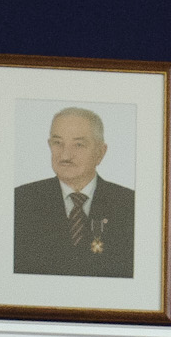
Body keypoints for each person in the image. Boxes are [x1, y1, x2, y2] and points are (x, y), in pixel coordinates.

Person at [8, 105, 135, 279]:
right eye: (57, 143)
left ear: (100, 152)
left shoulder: (130, 205)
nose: (65, 155)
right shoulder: (21, 201)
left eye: (79, 145)